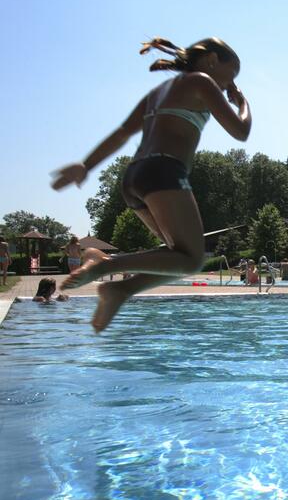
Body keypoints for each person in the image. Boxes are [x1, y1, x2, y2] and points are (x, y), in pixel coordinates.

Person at [51, 37, 251, 331]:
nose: (229, 83)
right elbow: (241, 130)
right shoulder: (202, 82)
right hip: (164, 172)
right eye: (231, 74)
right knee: (192, 260)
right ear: (211, 60)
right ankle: (104, 265)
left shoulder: (159, 92)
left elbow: (122, 134)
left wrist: (86, 165)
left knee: (174, 258)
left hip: (135, 177)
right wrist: (242, 102)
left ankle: (119, 288)